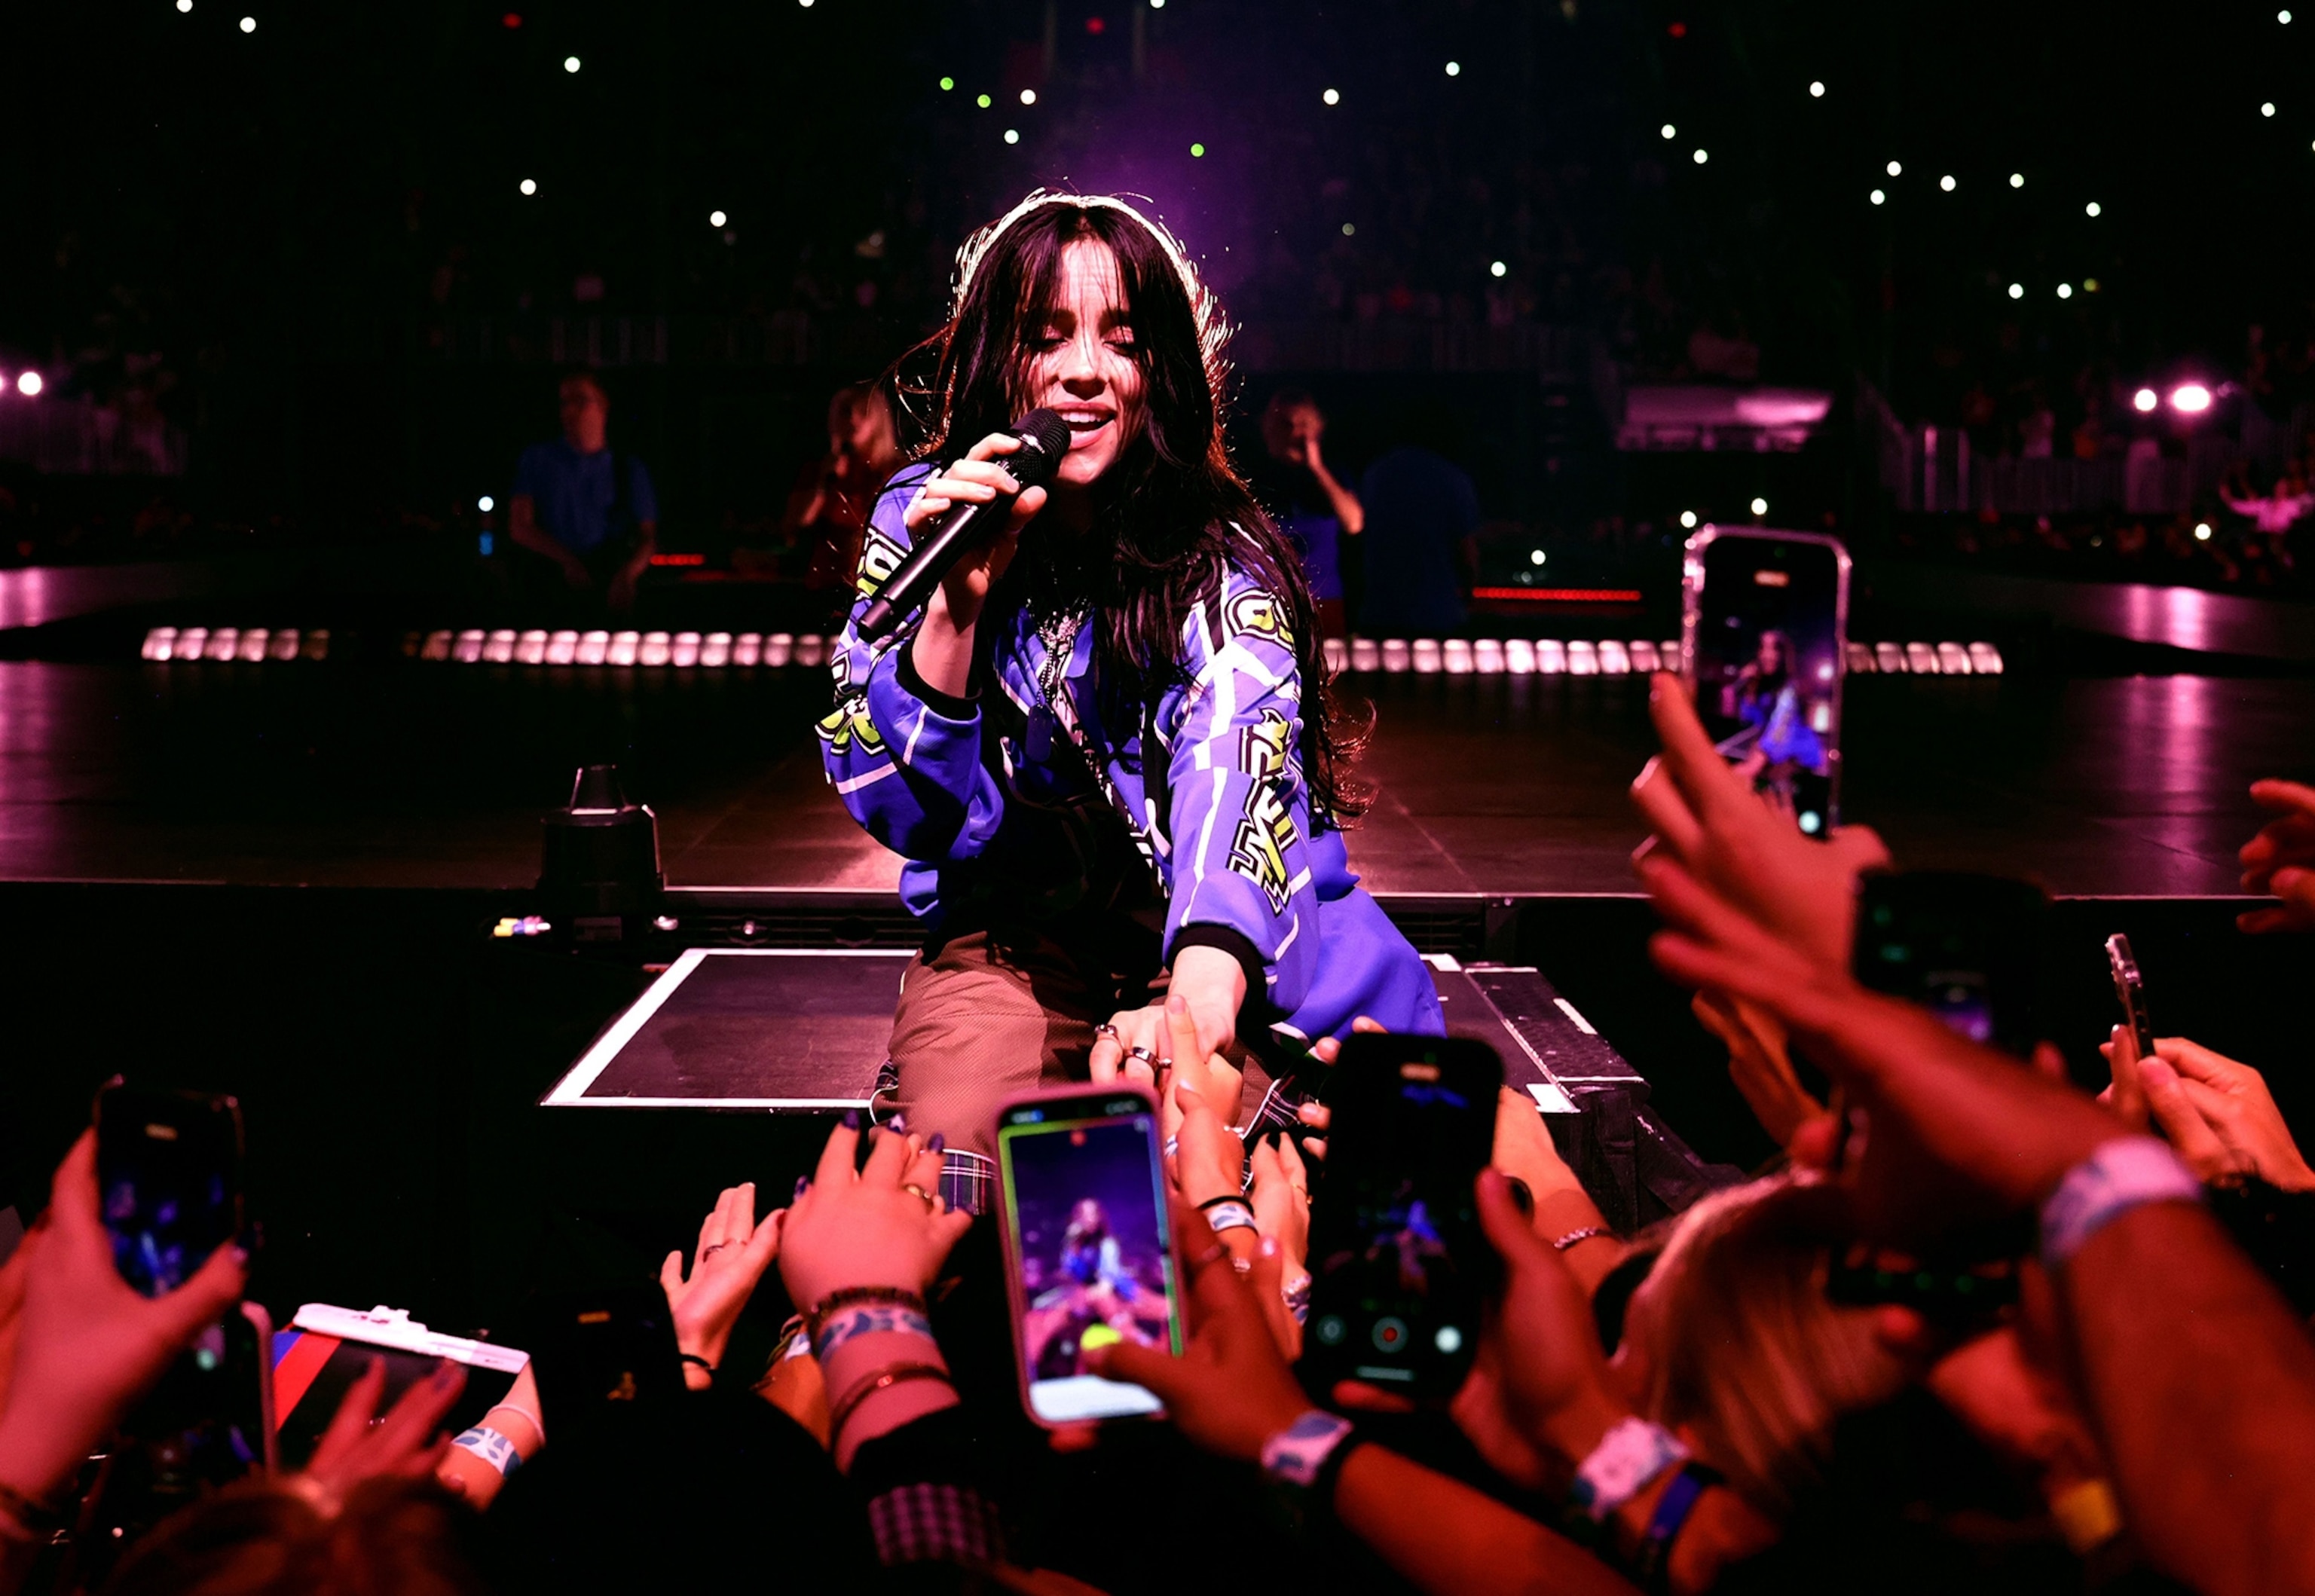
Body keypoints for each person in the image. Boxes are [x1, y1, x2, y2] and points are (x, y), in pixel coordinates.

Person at [821, 191, 1443, 1205]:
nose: (1084, 371)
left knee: (1213, 1156)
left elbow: (1234, 768)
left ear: (1160, 371)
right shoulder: (920, 520)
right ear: (995, 356)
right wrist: (957, 608)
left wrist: (1193, 1014)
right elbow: (898, 808)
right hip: (1014, 939)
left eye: (1121, 337)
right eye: (1047, 335)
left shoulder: (1223, 561)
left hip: (1210, 935)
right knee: (966, 1178)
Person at [507, 372, 659, 617]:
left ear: (603, 405)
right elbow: (519, 526)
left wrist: (627, 575)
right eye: (565, 403)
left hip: (607, 585)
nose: (570, 411)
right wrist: (567, 561)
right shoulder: (538, 459)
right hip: (551, 587)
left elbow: (648, 538)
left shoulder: (628, 469)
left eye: (580, 400)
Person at [1255, 390, 1363, 637]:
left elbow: (1354, 523)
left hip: (1325, 602)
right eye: (1285, 425)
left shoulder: (1333, 476)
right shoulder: (1256, 478)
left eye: (1302, 425)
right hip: (1269, 604)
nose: (1294, 434)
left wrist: (1316, 468)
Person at [792, 381, 904, 613]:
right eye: (845, 412)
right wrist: (826, 482)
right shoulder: (821, 471)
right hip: (822, 588)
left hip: (877, 589)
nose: (853, 419)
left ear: (878, 419)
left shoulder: (897, 472)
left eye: (862, 411)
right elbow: (795, 527)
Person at [1355, 435, 1478, 635]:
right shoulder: (1453, 478)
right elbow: (1467, 548)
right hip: (1439, 613)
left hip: (1381, 612)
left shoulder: (1377, 473)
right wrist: (1468, 595)